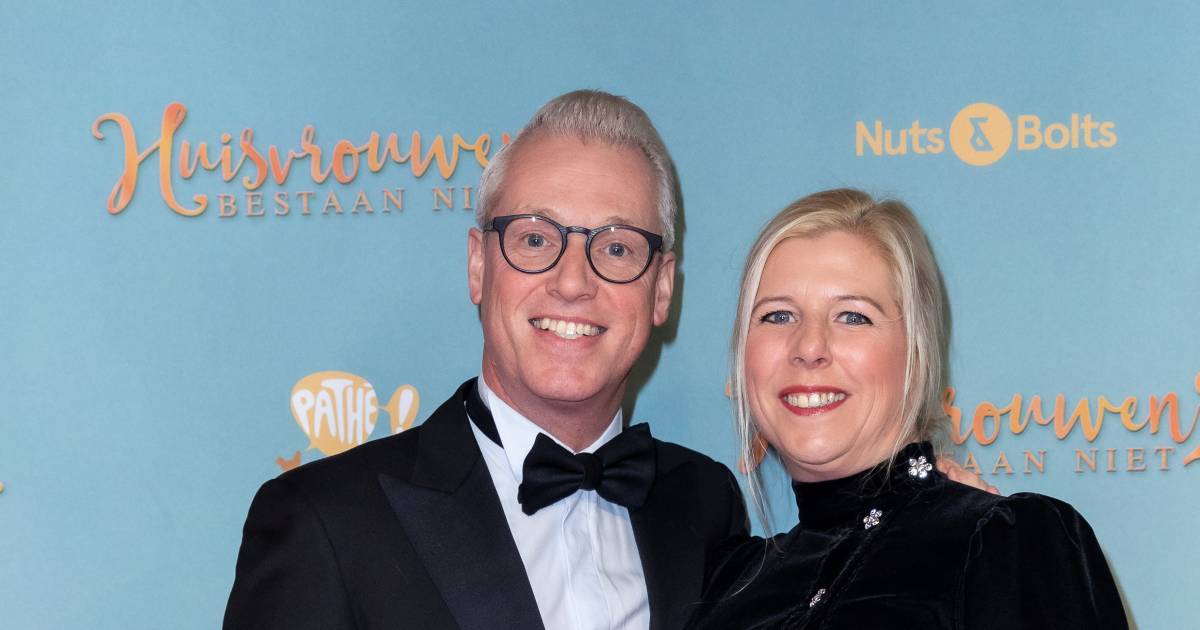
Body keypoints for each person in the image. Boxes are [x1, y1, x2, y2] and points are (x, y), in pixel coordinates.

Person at [223, 90, 748, 630]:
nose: (573, 282)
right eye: (536, 239)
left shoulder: (706, 504)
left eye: (617, 248)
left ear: (661, 289)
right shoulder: (326, 522)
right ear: (478, 265)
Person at [685, 189, 1128, 629]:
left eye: (853, 316)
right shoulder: (729, 581)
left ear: (916, 351)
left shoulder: (1004, 544)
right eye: (778, 316)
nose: (809, 346)